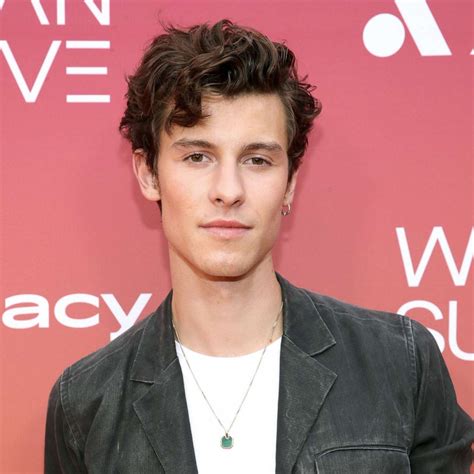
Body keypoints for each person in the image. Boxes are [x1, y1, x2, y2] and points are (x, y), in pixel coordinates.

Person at [44, 19, 473, 473]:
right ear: (149, 174)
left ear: (289, 184)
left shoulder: (399, 363)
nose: (228, 191)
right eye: (197, 157)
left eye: (257, 160)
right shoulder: (86, 403)